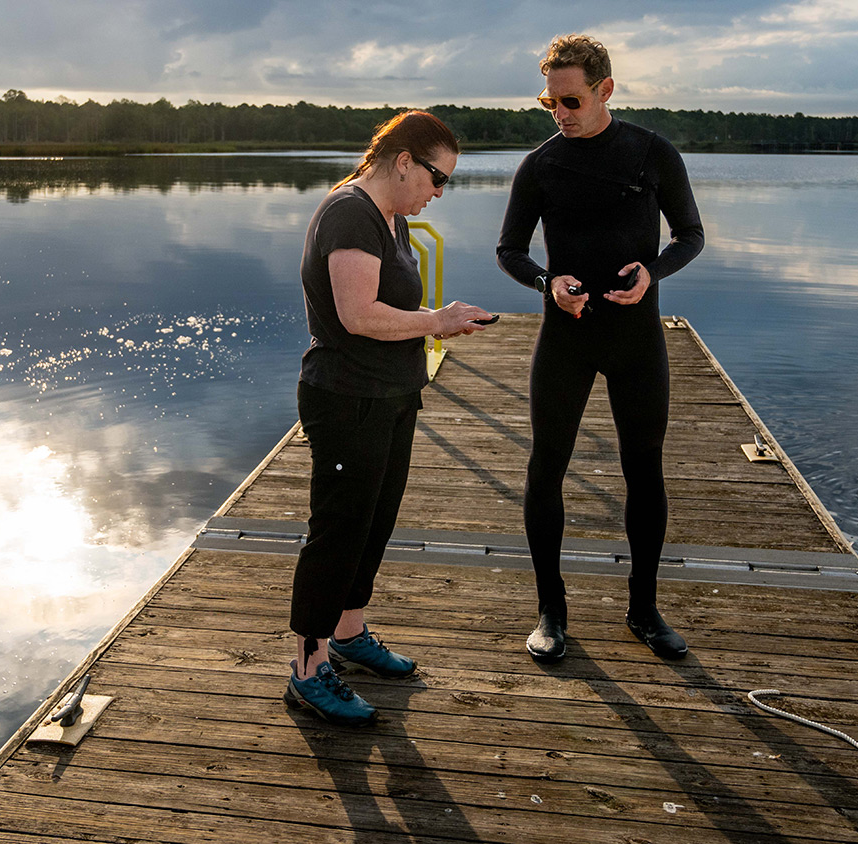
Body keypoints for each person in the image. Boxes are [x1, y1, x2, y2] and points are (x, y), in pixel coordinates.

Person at [496, 34, 704, 663]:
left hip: (635, 339)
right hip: (565, 337)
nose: (559, 111)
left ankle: (644, 609)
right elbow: (510, 250)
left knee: (645, 469)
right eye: (549, 101)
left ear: (605, 89)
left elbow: (690, 236)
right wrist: (545, 282)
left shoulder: (651, 153)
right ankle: (551, 611)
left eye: (571, 99)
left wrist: (652, 273)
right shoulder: (541, 164)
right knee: (546, 467)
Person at [286, 110, 493, 726]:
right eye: (438, 178)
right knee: (339, 530)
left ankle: (349, 636)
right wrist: (439, 319)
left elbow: (384, 302)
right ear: (403, 161)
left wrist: (434, 319)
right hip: (348, 398)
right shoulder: (351, 211)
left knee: (373, 524)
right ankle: (306, 668)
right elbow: (357, 314)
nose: (438, 193)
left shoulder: (390, 217)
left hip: (390, 393)